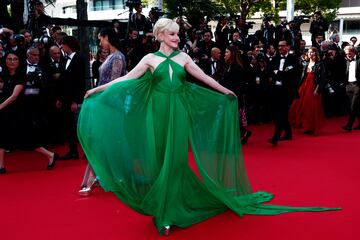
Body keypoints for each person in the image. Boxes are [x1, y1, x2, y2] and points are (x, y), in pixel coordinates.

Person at [78, 18, 338, 235]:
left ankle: (169, 212)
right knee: (159, 161)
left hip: (178, 113)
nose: (177, 38)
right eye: (172, 34)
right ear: (160, 35)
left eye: (178, 34)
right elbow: (125, 79)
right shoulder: (149, 59)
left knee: (176, 160)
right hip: (156, 115)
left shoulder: (183, 57)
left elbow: (203, 77)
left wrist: (227, 91)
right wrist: (97, 89)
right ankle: (164, 206)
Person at [79, 27, 127, 196]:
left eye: (101, 39)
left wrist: (97, 95)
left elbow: (113, 84)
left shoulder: (118, 57)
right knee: (105, 143)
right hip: (105, 105)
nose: (100, 43)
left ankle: (94, 180)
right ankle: (107, 177)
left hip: (110, 107)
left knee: (102, 143)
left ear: (107, 38)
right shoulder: (112, 56)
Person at [0, 51, 58, 174]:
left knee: (26, 139)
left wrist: (0, 106)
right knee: (2, 137)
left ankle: (50, 155)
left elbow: (14, 96)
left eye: (14, 59)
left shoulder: (20, 76)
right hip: (6, 112)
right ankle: (1, 166)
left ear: (19, 61)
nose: (11, 61)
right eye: (9, 59)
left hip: (18, 112)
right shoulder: (4, 75)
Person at [58, 36, 86, 160]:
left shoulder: (79, 58)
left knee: (78, 126)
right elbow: (64, 80)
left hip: (74, 98)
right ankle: (73, 151)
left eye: (62, 44)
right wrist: (60, 98)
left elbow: (79, 81)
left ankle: (86, 151)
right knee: (68, 126)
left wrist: (75, 100)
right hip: (65, 97)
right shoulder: (64, 59)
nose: (61, 47)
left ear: (68, 45)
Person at [268, 39, 300, 146]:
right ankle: (288, 133)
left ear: (288, 47)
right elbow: (270, 71)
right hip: (275, 89)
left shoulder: (293, 59)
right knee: (276, 113)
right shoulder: (275, 58)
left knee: (282, 113)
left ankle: (276, 136)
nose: (280, 48)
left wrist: (278, 72)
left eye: (283, 46)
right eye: (279, 46)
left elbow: (292, 73)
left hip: (287, 91)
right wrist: (281, 73)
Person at [219, 45, 252, 144]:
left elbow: (239, 85)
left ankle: (242, 133)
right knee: (230, 118)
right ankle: (243, 133)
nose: (224, 54)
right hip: (227, 96)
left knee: (233, 118)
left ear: (232, 54)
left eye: (226, 52)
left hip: (234, 98)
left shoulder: (237, 68)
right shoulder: (227, 66)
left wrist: (233, 97)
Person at [289, 47, 326, 134]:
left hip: (313, 87)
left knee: (310, 107)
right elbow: (302, 76)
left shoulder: (320, 64)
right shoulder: (305, 64)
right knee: (298, 104)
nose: (310, 54)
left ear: (316, 54)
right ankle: (303, 125)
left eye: (312, 52)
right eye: (309, 52)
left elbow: (322, 79)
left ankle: (310, 127)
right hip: (304, 86)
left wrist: (317, 89)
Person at [341, 46, 360, 131]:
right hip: (348, 86)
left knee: (353, 106)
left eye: (349, 53)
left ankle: (349, 125)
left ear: (354, 52)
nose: (347, 55)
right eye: (346, 54)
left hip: (358, 86)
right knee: (356, 106)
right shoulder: (346, 61)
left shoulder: (359, 60)